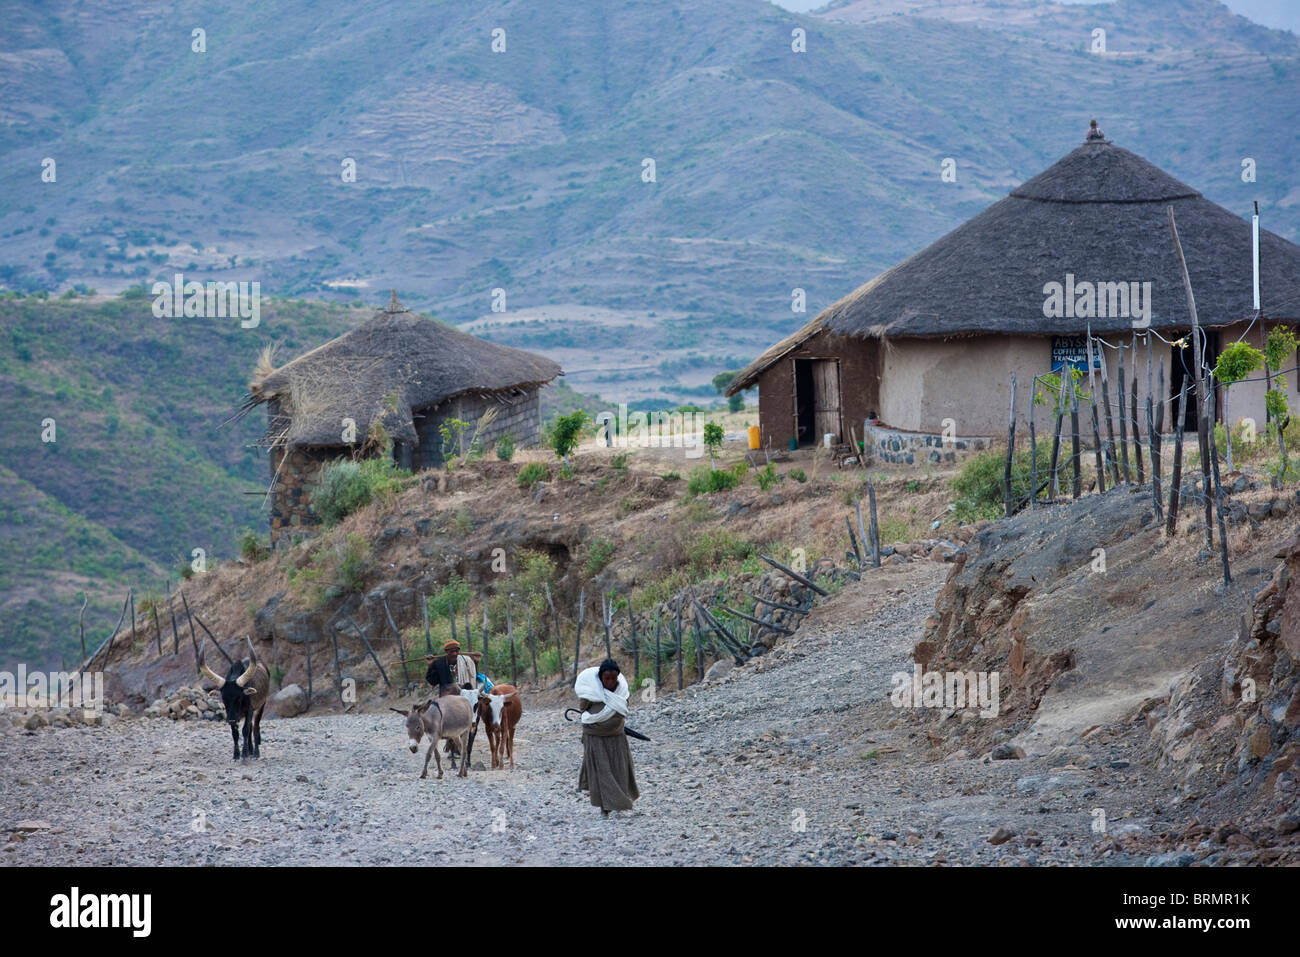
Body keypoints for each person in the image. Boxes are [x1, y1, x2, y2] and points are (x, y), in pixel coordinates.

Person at [575, 658, 639, 816]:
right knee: (601, 772)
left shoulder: (622, 692)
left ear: (618, 677)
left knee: (619, 769)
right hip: (595, 736)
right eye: (606, 679)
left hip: (616, 735)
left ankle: (619, 803)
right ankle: (605, 807)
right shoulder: (590, 692)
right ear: (600, 678)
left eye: (613, 678)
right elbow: (583, 709)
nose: (610, 682)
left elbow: (623, 708)